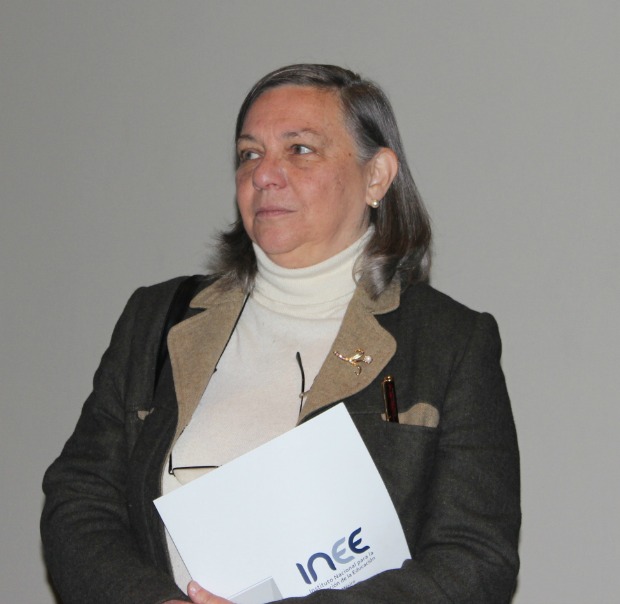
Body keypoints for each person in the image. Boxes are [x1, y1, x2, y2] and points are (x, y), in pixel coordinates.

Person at [41, 64, 520, 604]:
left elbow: (476, 560)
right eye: (249, 154)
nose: (264, 174)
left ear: (376, 176)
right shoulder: (157, 320)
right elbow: (79, 501)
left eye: (300, 149)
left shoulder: (449, 343)